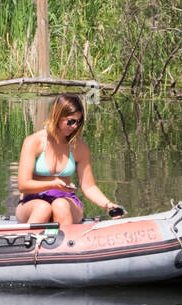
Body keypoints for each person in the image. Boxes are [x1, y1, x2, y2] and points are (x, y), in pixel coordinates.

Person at [15, 94, 123, 226]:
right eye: (71, 121)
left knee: (60, 205)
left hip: (66, 200)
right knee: (43, 208)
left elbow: (88, 186)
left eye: (79, 122)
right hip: (32, 201)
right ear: (57, 116)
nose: (75, 126)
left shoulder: (79, 147)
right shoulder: (33, 142)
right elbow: (23, 185)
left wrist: (108, 205)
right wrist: (53, 184)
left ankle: (68, 243)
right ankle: (28, 243)